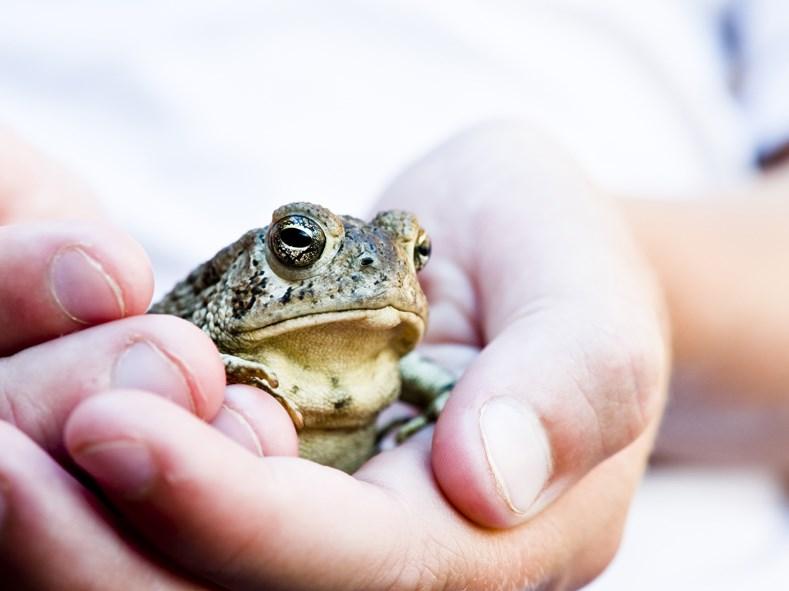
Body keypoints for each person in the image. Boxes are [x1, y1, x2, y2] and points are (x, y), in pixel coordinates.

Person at [0, 1, 787, 589]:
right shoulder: (205, 338)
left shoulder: (406, 365)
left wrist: (585, 315)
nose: (383, 276)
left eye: (416, 255)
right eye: (302, 249)